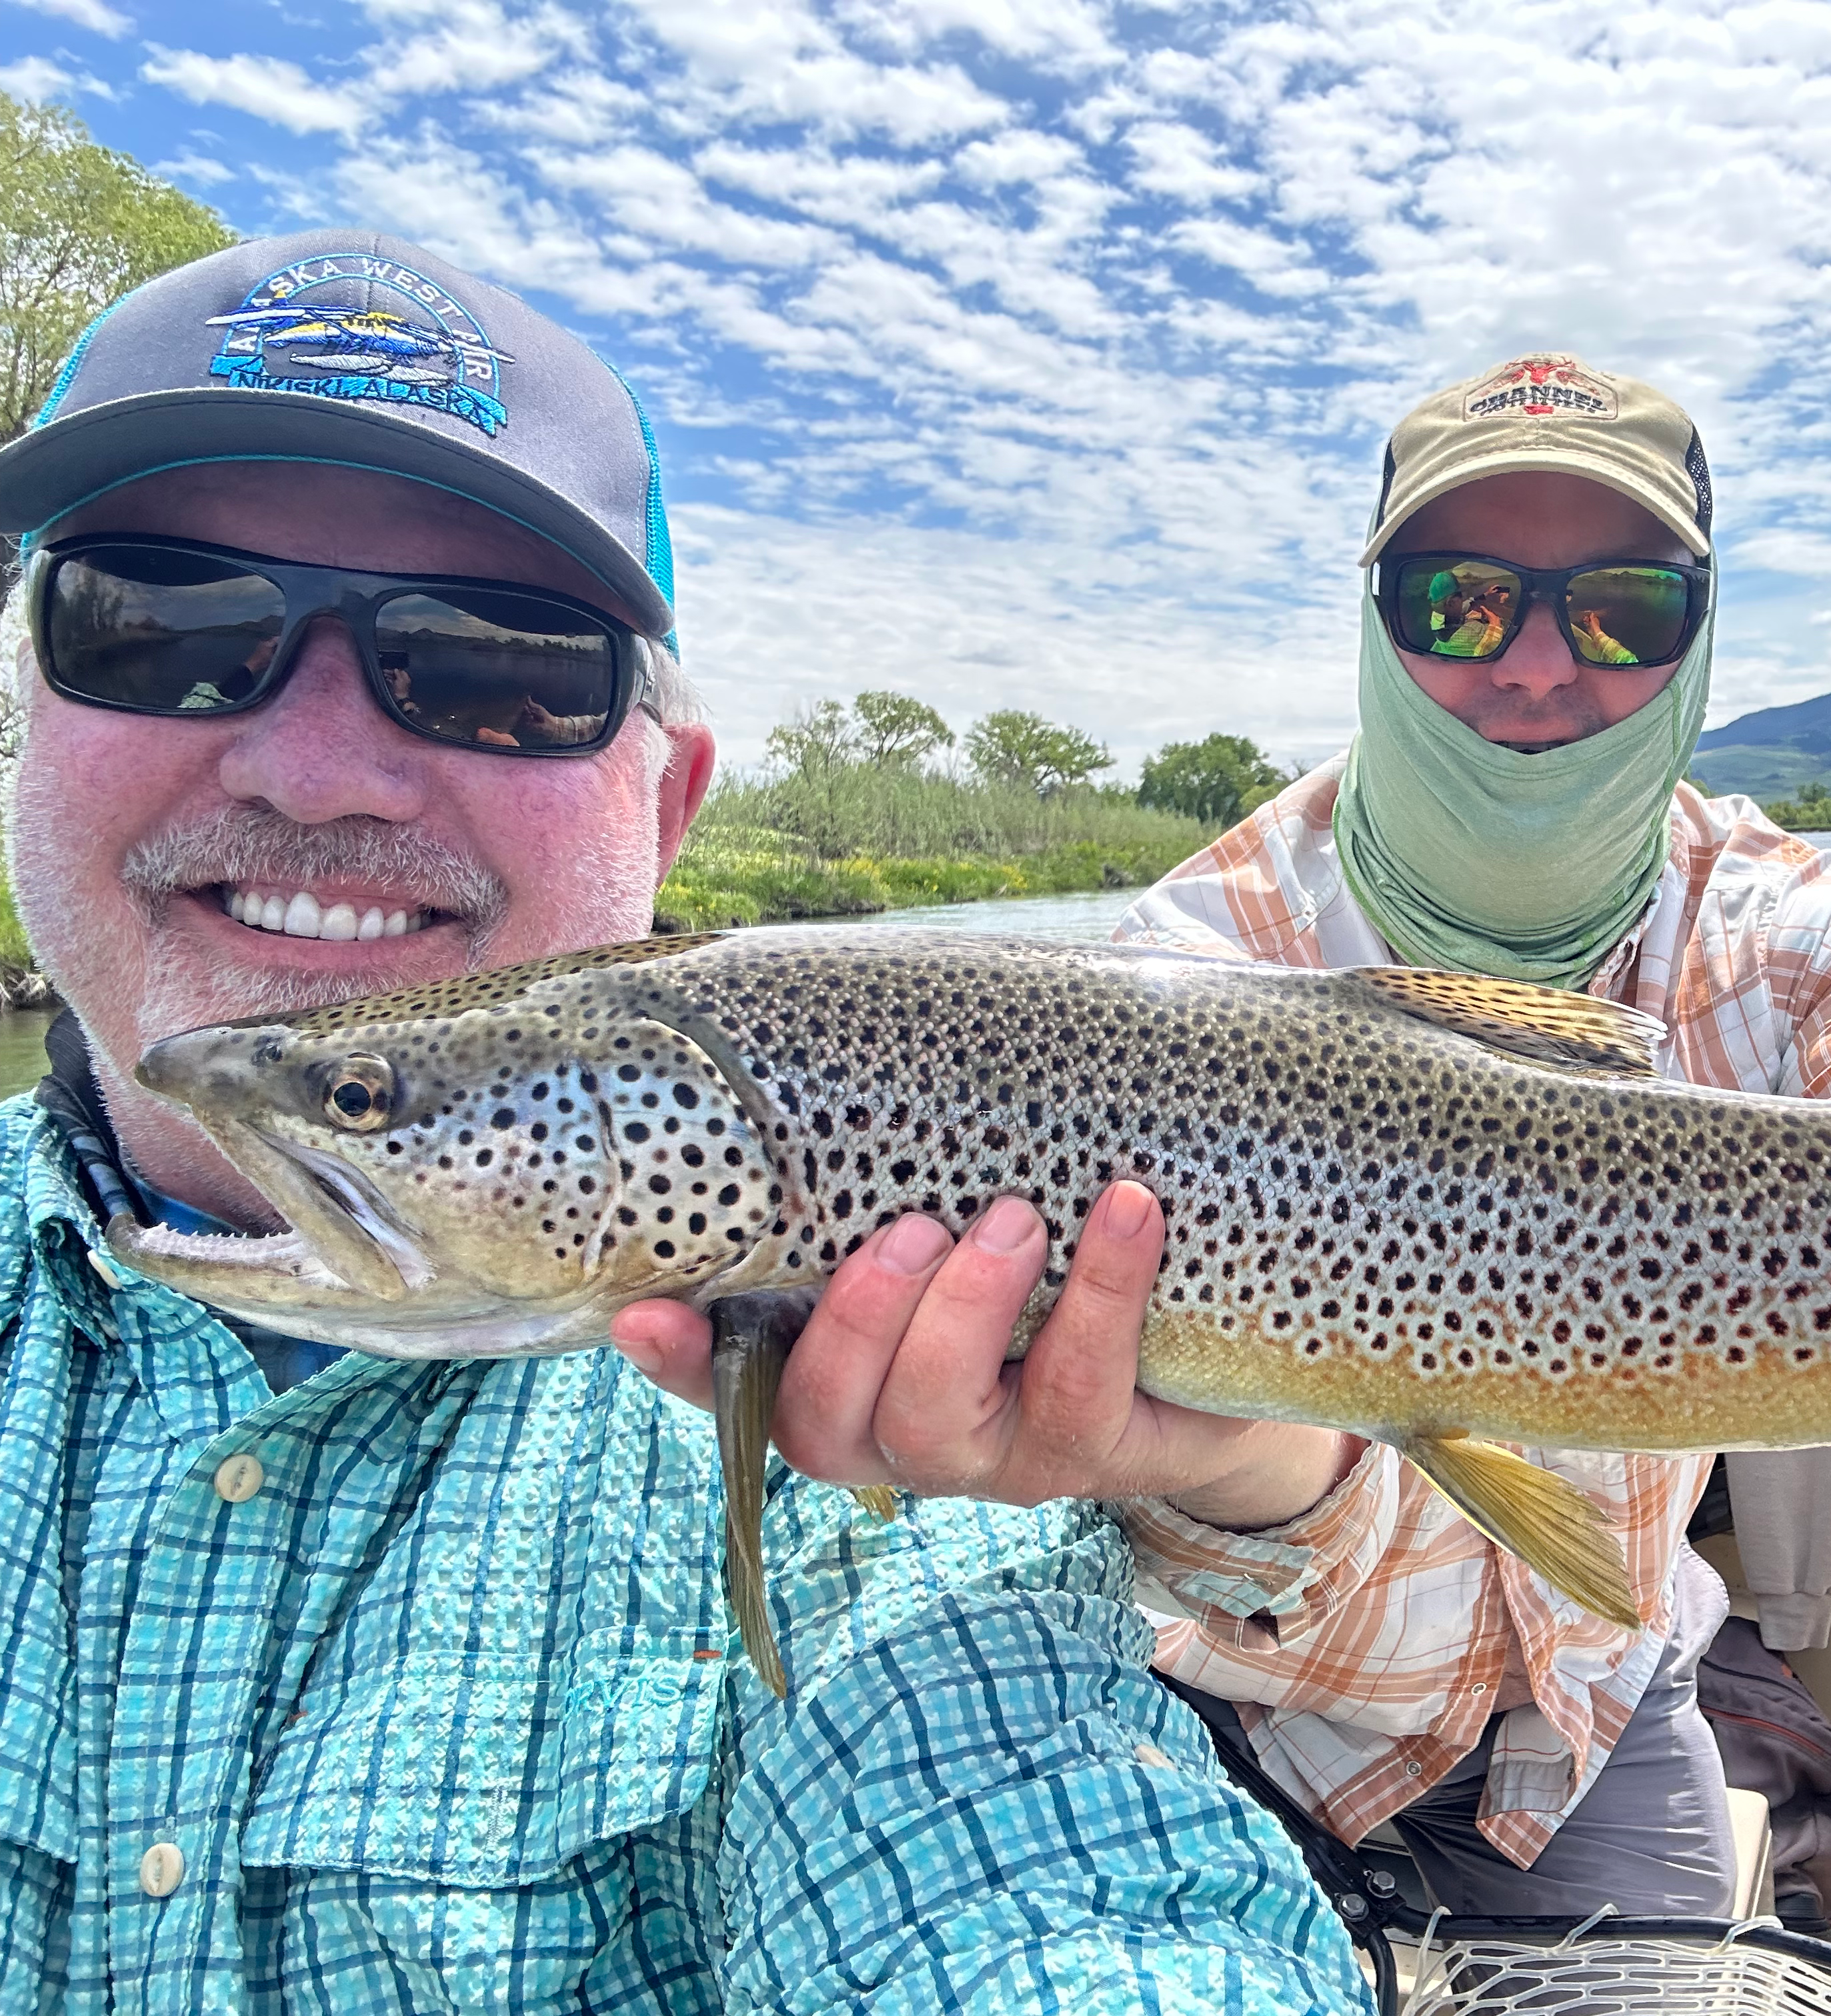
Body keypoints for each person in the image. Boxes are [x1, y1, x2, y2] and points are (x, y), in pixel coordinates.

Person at [0, 229, 1368, 2013]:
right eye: (158, 623)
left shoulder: (852, 1409)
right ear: (19, 715)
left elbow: (1038, 1867)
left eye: (499, 663)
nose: (312, 764)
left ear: (671, 813)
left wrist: (1288, 1456)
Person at [1095, 355, 1831, 1915]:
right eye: (1460, 601)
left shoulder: (1829, 947)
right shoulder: (1174, 984)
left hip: (1592, 1713)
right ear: (1376, 617)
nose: (1533, 667)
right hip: (1219, 1714)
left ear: (1699, 635)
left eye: (1620, 611)